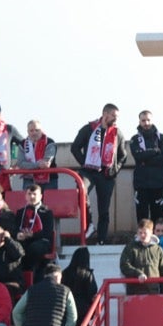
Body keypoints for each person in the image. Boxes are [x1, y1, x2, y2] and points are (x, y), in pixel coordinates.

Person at [71, 103, 126, 242]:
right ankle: (89, 224)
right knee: (81, 191)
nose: (116, 119)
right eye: (114, 116)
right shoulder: (88, 128)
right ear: (105, 114)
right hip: (89, 171)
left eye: (117, 116)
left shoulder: (117, 133)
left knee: (104, 209)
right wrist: (85, 162)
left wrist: (115, 170)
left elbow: (123, 155)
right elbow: (75, 147)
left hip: (106, 174)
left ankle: (101, 239)